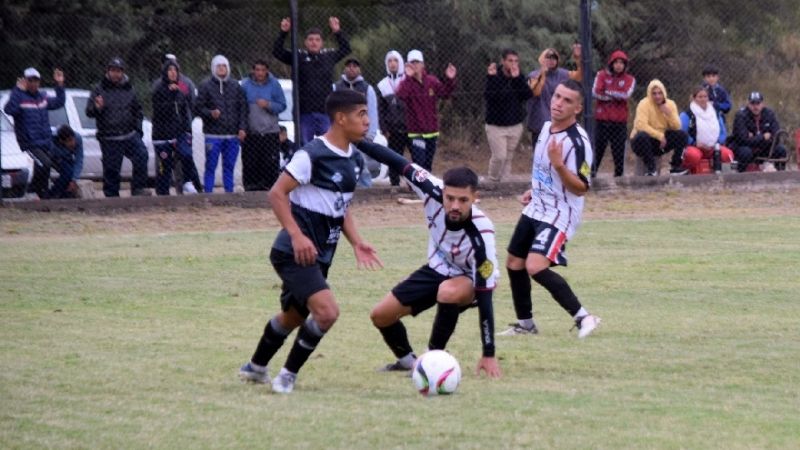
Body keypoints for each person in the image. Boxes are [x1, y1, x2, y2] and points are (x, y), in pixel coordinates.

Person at [238, 90, 383, 394]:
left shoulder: (355, 159)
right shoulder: (312, 155)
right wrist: (296, 234)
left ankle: (255, 367)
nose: (367, 121)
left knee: (293, 316)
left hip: (319, 255)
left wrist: (357, 242)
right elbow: (276, 194)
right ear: (341, 119)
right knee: (327, 312)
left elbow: (339, 208)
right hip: (293, 251)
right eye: (361, 114)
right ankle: (287, 376)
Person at [356, 140, 502, 378]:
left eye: (463, 200)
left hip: (469, 280)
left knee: (447, 291)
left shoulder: (482, 233)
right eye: (450, 198)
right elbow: (394, 159)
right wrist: (355, 140)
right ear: (442, 192)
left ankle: (432, 362)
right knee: (381, 315)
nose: (455, 206)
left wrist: (489, 352)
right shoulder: (429, 187)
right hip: (438, 268)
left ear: (475, 198)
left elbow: (485, 298)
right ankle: (407, 361)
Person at [499, 80, 601, 338]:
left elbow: (581, 187)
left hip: (560, 214)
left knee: (535, 266)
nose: (558, 103)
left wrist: (560, 166)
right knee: (514, 263)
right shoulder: (545, 127)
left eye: (567, 100)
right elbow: (544, 171)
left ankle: (584, 317)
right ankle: (526, 325)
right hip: (536, 207)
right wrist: (536, 189)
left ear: (577, 108)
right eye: (557, 96)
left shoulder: (578, 143)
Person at [273, 16, 351, 145]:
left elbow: (345, 49)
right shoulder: (298, 57)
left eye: (317, 40)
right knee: (306, 148)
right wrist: (283, 32)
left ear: (322, 43)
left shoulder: (328, 56)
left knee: (328, 145)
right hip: (304, 113)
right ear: (305, 42)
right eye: (310, 39)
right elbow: (277, 52)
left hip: (325, 112)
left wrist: (337, 32)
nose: (314, 42)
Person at [86, 57, 150, 197]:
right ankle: (112, 199)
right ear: (108, 72)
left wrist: (138, 131)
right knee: (112, 170)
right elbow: (89, 112)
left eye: (119, 71)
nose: (116, 74)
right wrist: (97, 108)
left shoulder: (129, 89)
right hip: (109, 136)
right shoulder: (99, 89)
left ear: (123, 72)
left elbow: (138, 111)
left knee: (142, 155)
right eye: (113, 71)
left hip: (129, 134)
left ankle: (138, 189)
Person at [3, 67, 65, 199]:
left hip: (45, 141)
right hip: (30, 143)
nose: (34, 83)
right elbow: (9, 110)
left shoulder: (42, 96)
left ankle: (35, 191)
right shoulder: (19, 96)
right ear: (25, 81)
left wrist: (59, 84)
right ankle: (41, 193)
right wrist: (17, 91)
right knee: (45, 164)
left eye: (36, 80)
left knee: (58, 163)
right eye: (30, 80)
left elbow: (59, 102)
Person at [396, 49, 457, 171]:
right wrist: (408, 78)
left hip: (432, 131)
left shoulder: (432, 81)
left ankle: (423, 188)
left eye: (417, 62)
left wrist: (450, 79)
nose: (415, 65)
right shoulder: (406, 83)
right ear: (407, 65)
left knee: (428, 165)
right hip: (416, 132)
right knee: (419, 163)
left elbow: (445, 94)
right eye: (411, 62)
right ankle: (417, 186)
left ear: (423, 64)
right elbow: (401, 95)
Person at [195, 54, 247, 193]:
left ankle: (228, 194)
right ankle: (208, 194)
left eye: (224, 66)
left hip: (232, 135)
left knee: (229, 166)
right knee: (211, 166)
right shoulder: (205, 86)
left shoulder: (236, 86)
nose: (222, 69)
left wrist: (242, 128)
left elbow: (243, 109)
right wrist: (210, 113)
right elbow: (198, 108)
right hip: (213, 134)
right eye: (219, 66)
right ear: (213, 68)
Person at [151, 59, 200, 196]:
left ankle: (188, 183)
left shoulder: (183, 86)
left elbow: (190, 103)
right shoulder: (159, 88)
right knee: (164, 167)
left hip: (180, 132)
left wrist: (187, 128)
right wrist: (171, 94)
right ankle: (163, 195)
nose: (173, 73)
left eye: (175, 70)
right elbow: (160, 112)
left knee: (186, 155)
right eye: (169, 70)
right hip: (163, 134)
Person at [484, 49, 532, 182]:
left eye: (516, 61)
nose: (513, 64)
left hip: (515, 124)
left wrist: (517, 79)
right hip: (496, 125)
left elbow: (527, 95)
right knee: (499, 156)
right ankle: (492, 180)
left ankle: (505, 182)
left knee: (509, 156)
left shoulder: (519, 76)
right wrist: (492, 78)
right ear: (503, 61)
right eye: (510, 60)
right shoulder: (494, 75)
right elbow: (489, 96)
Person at [241, 59, 287, 191]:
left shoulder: (274, 85)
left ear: (267, 71)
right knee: (251, 164)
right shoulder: (245, 85)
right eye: (257, 70)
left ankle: (271, 191)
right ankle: (251, 192)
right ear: (253, 70)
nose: (260, 73)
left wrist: (269, 105)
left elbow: (282, 105)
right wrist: (243, 128)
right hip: (251, 133)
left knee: (270, 164)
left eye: (263, 70)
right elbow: (241, 108)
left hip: (270, 132)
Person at [629, 79, 688, 176]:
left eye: (660, 93)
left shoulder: (670, 104)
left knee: (682, 135)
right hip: (641, 142)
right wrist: (660, 136)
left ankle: (675, 166)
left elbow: (677, 126)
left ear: (664, 93)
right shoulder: (644, 104)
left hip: (659, 143)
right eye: (654, 93)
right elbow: (641, 125)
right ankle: (651, 170)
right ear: (650, 94)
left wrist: (669, 113)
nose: (657, 96)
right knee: (642, 136)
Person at [526, 45, 583, 145]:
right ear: (541, 59)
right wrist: (543, 73)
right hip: (540, 122)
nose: (551, 60)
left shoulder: (562, 74)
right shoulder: (533, 75)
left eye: (554, 58)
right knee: (540, 155)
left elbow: (579, 76)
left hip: (559, 120)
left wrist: (578, 59)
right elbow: (536, 92)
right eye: (547, 58)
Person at [592, 50, 636, 177]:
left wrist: (607, 92)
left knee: (618, 153)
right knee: (596, 151)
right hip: (602, 120)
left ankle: (619, 178)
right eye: (616, 62)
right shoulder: (601, 75)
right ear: (611, 63)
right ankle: (587, 177)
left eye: (622, 62)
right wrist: (615, 94)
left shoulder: (630, 79)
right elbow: (595, 92)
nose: (618, 65)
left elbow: (625, 95)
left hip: (619, 122)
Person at [679, 86, 734, 173]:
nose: (703, 99)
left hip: (714, 146)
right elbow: (682, 134)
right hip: (696, 147)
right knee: (693, 156)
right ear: (694, 98)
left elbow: (723, 131)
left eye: (705, 96)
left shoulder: (715, 112)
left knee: (727, 155)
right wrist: (694, 143)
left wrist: (717, 143)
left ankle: (722, 175)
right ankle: (687, 171)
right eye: (700, 97)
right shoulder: (687, 114)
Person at [730, 92, 787, 171]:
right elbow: (742, 140)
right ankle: (740, 176)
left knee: (781, 150)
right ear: (748, 104)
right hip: (746, 148)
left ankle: (780, 175)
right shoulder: (741, 115)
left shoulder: (769, 114)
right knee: (745, 152)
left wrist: (753, 138)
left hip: (764, 148)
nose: (755, 106)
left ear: (762, 104)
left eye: (758, 103)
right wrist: (763, 137)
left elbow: (776, 136)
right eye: (752, 103)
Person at [376, 50, 410, 186]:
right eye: (389, 61)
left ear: (400, 62)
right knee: (393, 157)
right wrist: (384, 128)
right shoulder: (382, 85)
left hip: (410, 127)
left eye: (395, 60)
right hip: (393, 129)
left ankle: (416, 184)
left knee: (417, 158)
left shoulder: (408, 80)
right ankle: (394, 184)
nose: (392, 64)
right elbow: (381, 109)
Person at [334, 58, 378, 143]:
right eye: (348, 66)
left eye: (354, 66)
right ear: (344, 69)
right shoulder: (336, 87)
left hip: (362, 133)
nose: (351, 68)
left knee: (381, 142)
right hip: (342, 131)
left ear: (360, 70)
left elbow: (372, 113)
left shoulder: (368, 89)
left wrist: (370, 136)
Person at [50, 125, 84, 198]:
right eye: (68, 141)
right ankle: (52, 195)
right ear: (61, 141)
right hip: (54, 158)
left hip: (67, 158)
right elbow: (51, 154)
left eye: (72, 139)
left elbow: (79, 159)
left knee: (71, 174)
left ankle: (65, 195)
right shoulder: (52, 140)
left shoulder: (78, 138)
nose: (72, 143)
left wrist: (74, 180)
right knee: (68, 172)